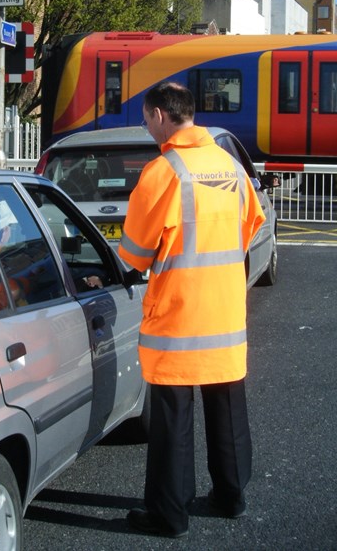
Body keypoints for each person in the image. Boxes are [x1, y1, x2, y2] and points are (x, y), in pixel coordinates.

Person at [118, 81, 265, 538]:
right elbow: (250, 227)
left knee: (172, 422)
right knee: (227, 410)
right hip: (224, 316)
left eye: (146, 120)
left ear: (161, 115)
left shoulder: (163, 172)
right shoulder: (230, 167)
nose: (147, 128)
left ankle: (170, 514)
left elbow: (135, 254)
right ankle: (231, 496)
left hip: (178, 320)